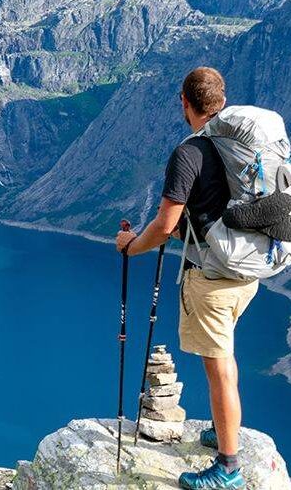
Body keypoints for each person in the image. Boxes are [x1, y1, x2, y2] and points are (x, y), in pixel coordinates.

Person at [116, 67, 257, 490]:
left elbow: (165, 224)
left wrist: (130, 246)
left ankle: (228, 466)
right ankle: (222, 428)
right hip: (247, 271)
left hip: (212, 278)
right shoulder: (242, 143)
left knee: (218, 369)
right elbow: (214, 214)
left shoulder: (190, 153)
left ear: (185, 102)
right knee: (225, 358)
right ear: (221, 99)